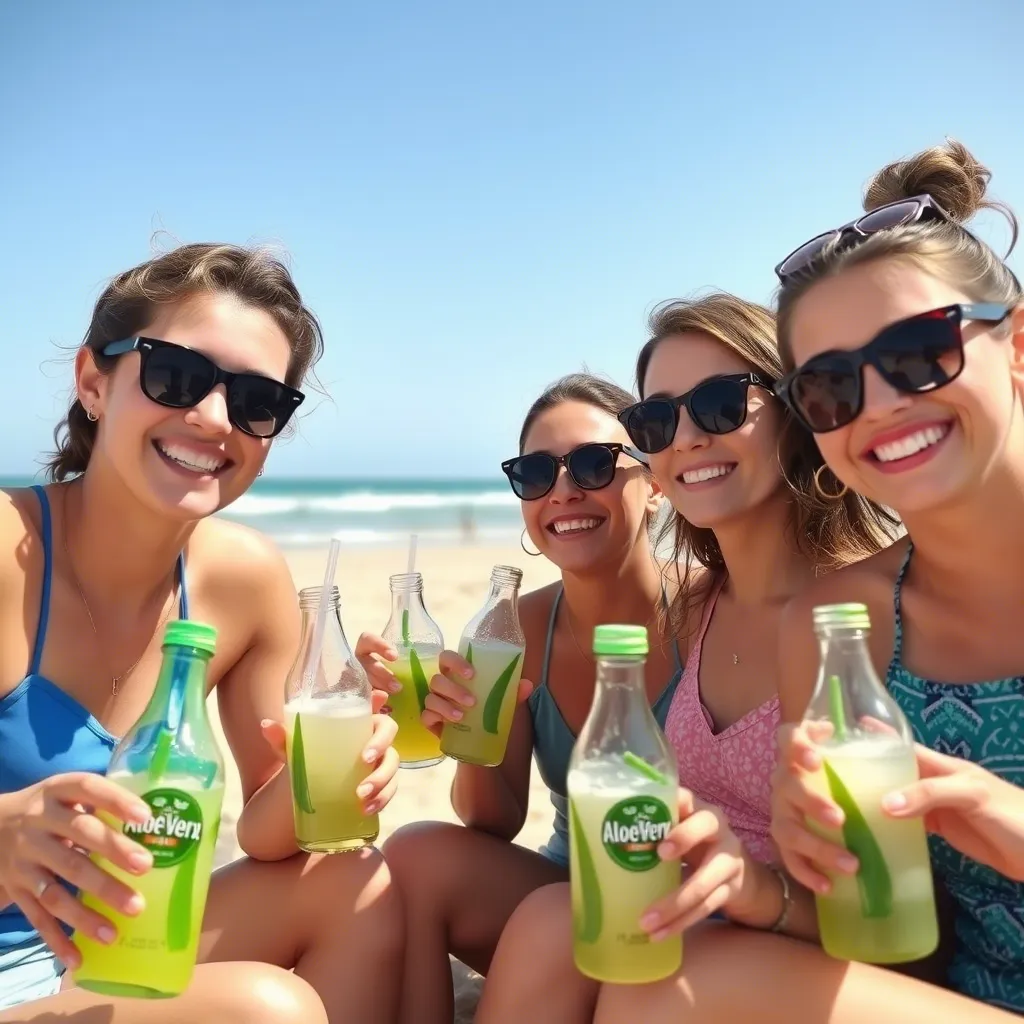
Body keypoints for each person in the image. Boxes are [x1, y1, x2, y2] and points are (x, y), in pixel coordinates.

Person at [0, 243, 403, 1023]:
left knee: (356, 882)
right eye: (175, 375)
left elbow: (268, 830)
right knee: (266, 1008)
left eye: (257, 401)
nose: (215, 419)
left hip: (107, 941)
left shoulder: (243, 581)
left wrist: (337, 760)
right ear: (93, 380)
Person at [475, 293, 899, 1023]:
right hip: (698, 921)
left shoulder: (852, 617)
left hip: (803, 949)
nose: (688, 436)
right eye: (658, 420)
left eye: (721, 403)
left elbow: (891, 911)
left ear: (798, 411)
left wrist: (754, 892)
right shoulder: (701, 611)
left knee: (623, 976)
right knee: (548, 920)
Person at [765, 139, 1023, 1020]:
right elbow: (900, 952)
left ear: (1017, 347)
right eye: (831, 388)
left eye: (919, 350)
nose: (879, 404)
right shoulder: (838, 627)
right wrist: (821, 874)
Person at [380, 373, 677, 1024]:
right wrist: (472, 733)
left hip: (687, 897)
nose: (564, 490)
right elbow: (493, 824)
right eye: (536, 473)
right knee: (411, 854)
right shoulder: (514, 629)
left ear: (656, 484)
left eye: (595, 464)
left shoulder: (713, 611)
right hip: (564, 890)